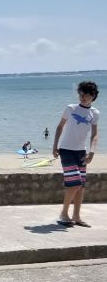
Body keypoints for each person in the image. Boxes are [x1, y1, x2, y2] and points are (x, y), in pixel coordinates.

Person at [52, 81, 99, 227]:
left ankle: (76, 216)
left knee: (81, 185)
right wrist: (55, 145)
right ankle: (63, 214)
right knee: (75, 183)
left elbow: (94, 135)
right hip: (66, 150)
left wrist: (92, 152)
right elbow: (60, 127)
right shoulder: (71, 108)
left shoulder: (95, 113)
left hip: (81, 151)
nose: (82, 96)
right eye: (80, 93)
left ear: (93, 96)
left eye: (85, 93)